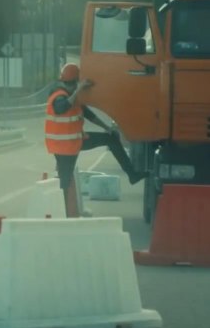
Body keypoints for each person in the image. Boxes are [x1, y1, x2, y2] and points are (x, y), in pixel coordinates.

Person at [45, 63, 148, 216]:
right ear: (74, 82)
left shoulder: (73, 98)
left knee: (110, 139)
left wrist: (107, 128)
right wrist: (79, 89)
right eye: (76, 84)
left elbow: (89, 115)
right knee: (65, 181)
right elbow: (62, 108)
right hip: (63, 147)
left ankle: (132, 174)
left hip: (75, 142)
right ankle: (61, 212)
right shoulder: (59, 96)